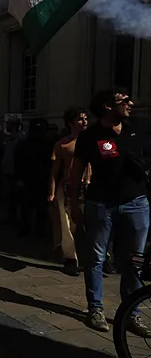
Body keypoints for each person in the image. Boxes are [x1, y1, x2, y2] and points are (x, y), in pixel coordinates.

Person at [68, 88, 151, 336]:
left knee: (134, 260)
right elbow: (75, 175)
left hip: (136, 203)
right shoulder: (90, 136)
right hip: (100, 205)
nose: (131, 103)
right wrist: (74, 206)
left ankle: (131, 314)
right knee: (96, 258)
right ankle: (95, 308)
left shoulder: (137, 129)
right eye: (124, 100)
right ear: (107, 106)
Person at [48, 108, 89, 276]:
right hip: (66, 187)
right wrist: (51, 191)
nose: (85, 122)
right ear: (71, 123)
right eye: (80, 119)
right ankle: (70, 258)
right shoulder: (63, 144)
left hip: (89, 187)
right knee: (67, 224)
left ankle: (102, 257)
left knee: (93, 223)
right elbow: (55, 170)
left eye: (86, 118)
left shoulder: (92, 142)